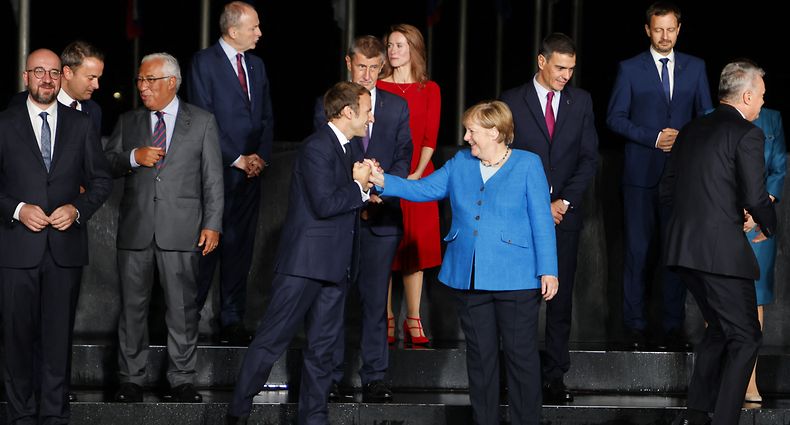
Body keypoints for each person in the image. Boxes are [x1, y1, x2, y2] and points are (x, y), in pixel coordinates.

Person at [368, 100, 558, 425]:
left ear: (496, 132)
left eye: (473, 131)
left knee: (521, 358)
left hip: (517, 278)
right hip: (470, 278)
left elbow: (542, 220)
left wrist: (548, 270)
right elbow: (424, 188)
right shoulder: (460, 163)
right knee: (481, 359)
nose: (467, 137)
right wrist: (383, 180)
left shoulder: (528, 164)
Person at [227, 81, 374, 425]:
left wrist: (365, 190)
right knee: (270, 342)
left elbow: (346, 197)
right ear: (348, 112)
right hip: (304, 266)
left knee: (323, 351)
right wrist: (360, 188)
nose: (370, 118)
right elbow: (324, 204)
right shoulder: (316, 147)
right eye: (366, 111)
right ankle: (237, 413)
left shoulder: (350, 150)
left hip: (335, 267)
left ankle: (314, 418)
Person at [660, 60, 776, 425]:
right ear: (745, 95)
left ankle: (697, 415)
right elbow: (757, 198)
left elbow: (667, 189)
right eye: (760, 95)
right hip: (721, 255)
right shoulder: (748, 134)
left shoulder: (692, 129)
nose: (761, 103)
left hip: (683, 250)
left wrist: (712, 214)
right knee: (747, 338)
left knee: (722, 330)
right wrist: (768, 226)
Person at [0, 48, 112, 424]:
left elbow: (100, 180)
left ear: (61, 77)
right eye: (38, 72)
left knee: (57, 341)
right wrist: (17, 209)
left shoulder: (81, 125)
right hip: (16, 249)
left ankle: (54, 417)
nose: (46, 79)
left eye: (52, 73)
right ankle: (20, 417)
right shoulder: (4, 122)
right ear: (25, 76)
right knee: (15, 341)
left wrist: (77, 209)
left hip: (64, 251)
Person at [105, 52, 224, 404]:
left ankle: (182, 380)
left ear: (171, 82)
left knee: (183, 309)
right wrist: (132, 157)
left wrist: (212, 224)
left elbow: (213, 180)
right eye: (140, 80)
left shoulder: (202, 122)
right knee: (132, 309)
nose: (142, 87)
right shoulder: (128, 121)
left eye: (149, 80)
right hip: (137, 229)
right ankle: (130, 379)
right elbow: (107, 163)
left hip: (183, 230)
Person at [606, 1, 713, 350]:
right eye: (658, 29)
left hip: (681, 176)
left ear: (678, 29)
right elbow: (615, 118)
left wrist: (684, 139)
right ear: (647, 30)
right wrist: (653, 137)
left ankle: (672, 327)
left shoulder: (696, 68)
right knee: (637, 252)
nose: (664, 36)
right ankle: (634, 327)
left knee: (675, 254)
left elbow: (706, 116)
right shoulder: (629, 69)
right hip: (639, 175)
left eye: (670, 29)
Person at [313, 35, 412, 403]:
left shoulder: (398, 107)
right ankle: (334, 376)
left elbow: (404, 156)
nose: (368, 74)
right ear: (348, 64)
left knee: (375, 302)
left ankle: (375, 377)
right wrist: (357, 193)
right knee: (335, 299)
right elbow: (326, 158)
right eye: (362, 67)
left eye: (375, 68)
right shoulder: (328, 105)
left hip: (382, 217)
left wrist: (379, 190)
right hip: (342, 218)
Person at [500, 32, 598, 404]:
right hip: (522, 218)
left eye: (571, 69)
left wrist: (565, 201)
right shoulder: (511, 100)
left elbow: (589, 158)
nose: (565, 76)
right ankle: (515, 375)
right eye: (560, 67)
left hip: (565, 217)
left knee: (561, 299)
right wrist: (541, 204)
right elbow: (503, 158)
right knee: (520, 300)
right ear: (541, 62)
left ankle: (555, 375)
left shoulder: (581, 101)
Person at [188, 0, 274, 345]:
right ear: (233, 29)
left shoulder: (257, 65)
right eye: (253, 27)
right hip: (216, 172)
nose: (259, 33)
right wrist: (237, 158)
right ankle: (187, 318)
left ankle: (232, 319)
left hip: (251, 174)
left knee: (241, 248)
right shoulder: (203, 63)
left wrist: (260, 158)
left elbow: (266, 117)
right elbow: (201, 117)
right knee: (206, 247)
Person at [377, 23, 441, 345]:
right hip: (386, 174)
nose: (393, 51)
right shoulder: (378, 86)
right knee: (386, 247)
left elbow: (429, 136)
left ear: (414, 48)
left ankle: (412, 319)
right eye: (389, 45)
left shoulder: (429, 89)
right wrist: (390, 178)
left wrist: (415, 174)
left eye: (399, 45)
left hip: (419, 175)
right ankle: (386, 317)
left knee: (414, 249)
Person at [743, 107, 786, 403]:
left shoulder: (772, 118)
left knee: (755, 297)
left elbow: (779, 166)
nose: (763, 98)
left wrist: (758, 211)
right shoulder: (709, 117)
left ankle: (749, 381)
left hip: (758, 219)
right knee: (718, 296)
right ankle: (719, 376)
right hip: (722, 218)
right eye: (760, 92)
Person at [8, 41, 104, 135]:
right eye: (91, 78)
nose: (96, 85)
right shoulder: (21, 103)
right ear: (68, 72)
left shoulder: (94, 111)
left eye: (98, 78)